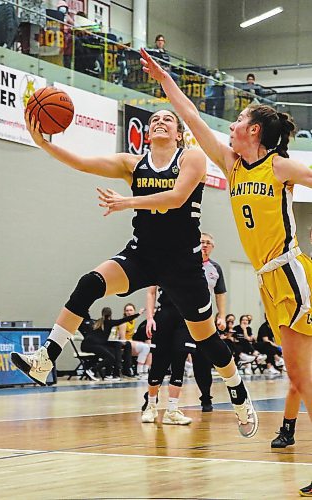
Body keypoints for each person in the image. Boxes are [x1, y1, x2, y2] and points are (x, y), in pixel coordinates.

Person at [11, 107, 258, 439]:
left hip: (184, 264)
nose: (159, 122)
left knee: (207, 340)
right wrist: (43, 143)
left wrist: (127, 202)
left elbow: (176, 197)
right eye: (154, 119)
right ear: (147, 131)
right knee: (90, 283)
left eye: (167, 119)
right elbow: (82, 163)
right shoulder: (133, 164)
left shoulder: (193, 157)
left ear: (178, 132)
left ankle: (238, 391)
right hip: (143, 255)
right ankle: (46, 358)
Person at [139, 48, 312, 496]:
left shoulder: (279, 167)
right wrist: (164, 80)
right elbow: (191, 116)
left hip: (290, 273)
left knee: (301, 376)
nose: (230, 126)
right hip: (267, 280)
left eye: (237, 121)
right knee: (298, 376)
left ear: (254, 130)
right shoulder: (232, 165)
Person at [141, 286, 194, 425]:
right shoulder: (159, 265)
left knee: (179, 359)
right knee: (158, 363)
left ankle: (172, 410)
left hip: (185, 317)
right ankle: (151, 407)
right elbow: (151, 292)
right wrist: (149, 318)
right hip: (164, 315)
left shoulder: (192, 266)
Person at [191, 231, 227, 412]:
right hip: (181, 319)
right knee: (175, 356)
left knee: (202, 360)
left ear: (212, 247)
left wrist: (221, 316)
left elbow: (220, 293)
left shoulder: (215, 268)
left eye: (207, 243)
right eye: (201, 242)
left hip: (205, 321)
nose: (204, 245)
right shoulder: (187, 264)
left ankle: (206, 397)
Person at [79, 306, 137, 380]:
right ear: (110, 314)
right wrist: (137, 314)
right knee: (111, 357)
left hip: (87, 345)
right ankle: (92, 370)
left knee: (112, 353)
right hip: (91, 345)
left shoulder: (96, 322)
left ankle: (108, 374)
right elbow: (123, 320)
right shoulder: (108, 322)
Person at [117, 303, 150, 377]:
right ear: (124, 312)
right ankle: (140, 371)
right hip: (124, 344)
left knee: (148, 347)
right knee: (145, 347)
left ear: (134, 311)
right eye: (127, 310)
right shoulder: (123, 323)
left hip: (130, 342)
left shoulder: (133, 321)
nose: (129, 312)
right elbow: (122, 340)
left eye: (131, 310)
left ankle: (144, 370)